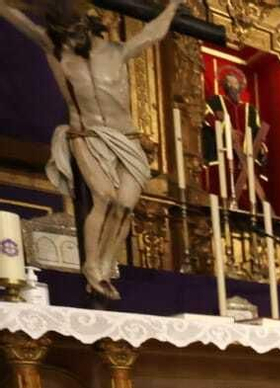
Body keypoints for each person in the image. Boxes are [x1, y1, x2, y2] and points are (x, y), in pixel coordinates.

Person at [0, 0, 183, 300]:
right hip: (86, 135)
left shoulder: (116, 52)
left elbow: (152, 33)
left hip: (127, 138)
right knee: (105, 198)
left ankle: (105, 263)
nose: (72, 37)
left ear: (91, 29)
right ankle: (92, 267)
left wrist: (172, 6)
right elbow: (22, 22)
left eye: (77, 31)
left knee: (125, 205)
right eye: (68, 33)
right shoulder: (58, 52)